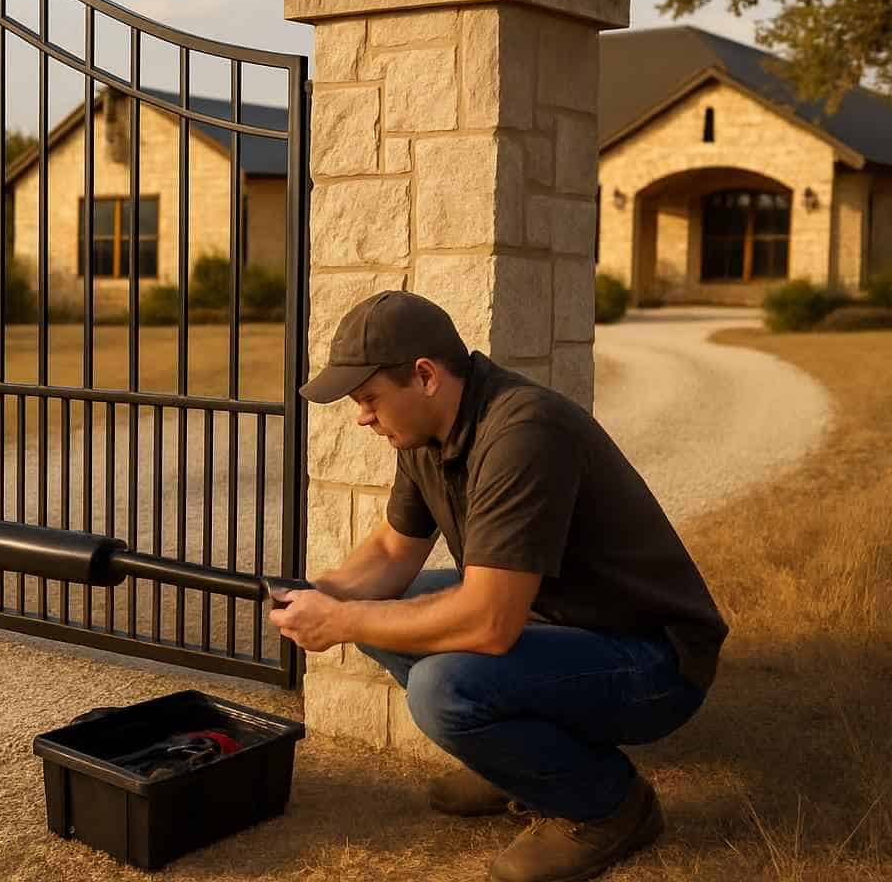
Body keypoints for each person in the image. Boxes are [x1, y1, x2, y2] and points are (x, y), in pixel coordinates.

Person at [269, 290, 728, 882]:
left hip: (651, 662)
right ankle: (517, 760)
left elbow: (488, 621)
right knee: (376, 607)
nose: (362, 416)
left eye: (369, 399)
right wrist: (321, 594)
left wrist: (342, 621)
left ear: (425, 376)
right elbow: (389, 551)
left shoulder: (523, 431)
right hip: (557, 628)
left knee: (443, 687)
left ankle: (610, 807)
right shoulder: (428, 434)